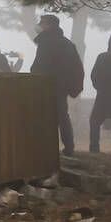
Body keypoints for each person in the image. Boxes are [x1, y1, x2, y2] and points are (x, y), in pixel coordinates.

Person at [30, 14, 84, 155]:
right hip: (61, 86)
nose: (39, 25)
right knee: (62, 116)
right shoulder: (67, 43)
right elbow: (77, 67)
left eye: (42, 23)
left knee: (45, 117)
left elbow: (40, 65)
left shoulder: (46, 42)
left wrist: (33, 77)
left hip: (46, 85)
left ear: (49, 25)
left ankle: (45, 148)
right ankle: (69, 147)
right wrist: (73, 87)